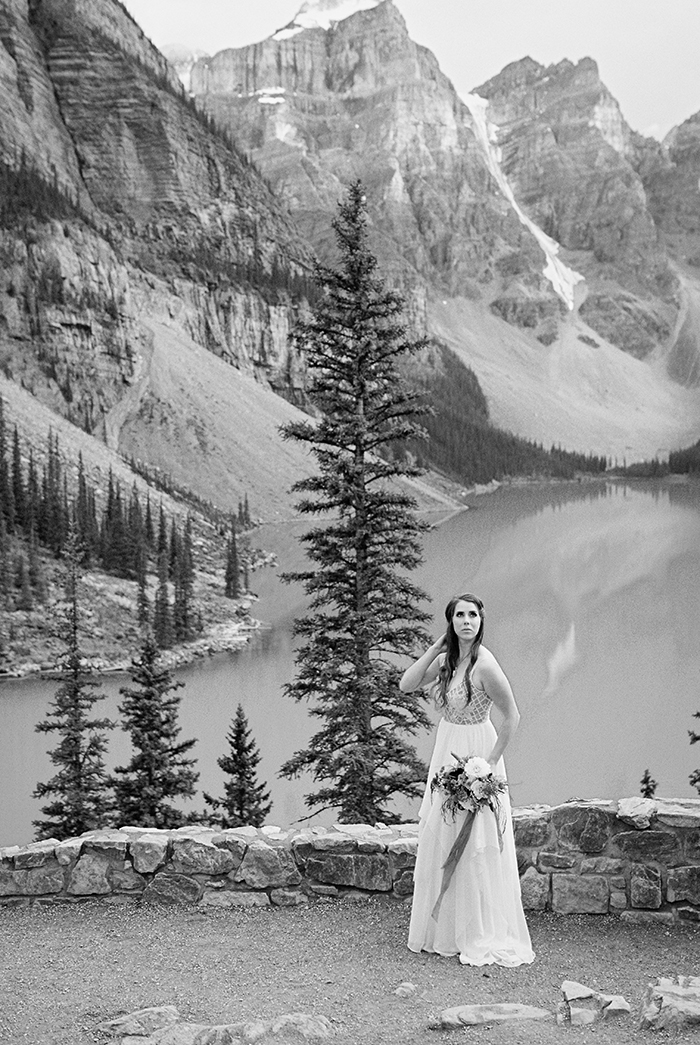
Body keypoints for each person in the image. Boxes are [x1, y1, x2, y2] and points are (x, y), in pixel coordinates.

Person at [401, 593, 534, 967]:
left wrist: (487, 765)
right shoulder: (446, 661)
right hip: (447, 748)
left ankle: (477, 928)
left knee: (477, 839)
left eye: (473, 615)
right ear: (451, 622)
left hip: (477, 748)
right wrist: (433, 649)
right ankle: (446, 930)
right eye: (459, 615)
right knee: (444, 832)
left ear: (481, 620)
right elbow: (405, 685)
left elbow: (512, 716)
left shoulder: (486, 666)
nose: (466, 621)